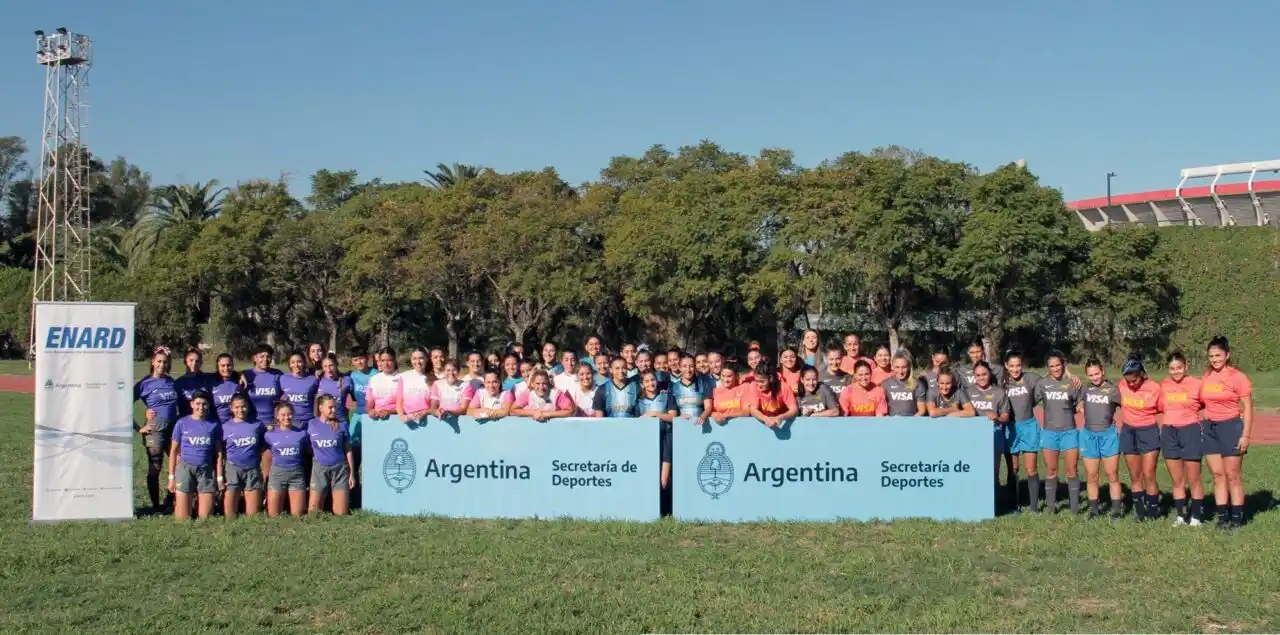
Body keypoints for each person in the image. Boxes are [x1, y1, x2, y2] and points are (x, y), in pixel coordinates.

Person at [1201, 336, 1254, 529]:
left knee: (1232, 475)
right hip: (1210, 428)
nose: (1214, 359)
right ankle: (1222, 517)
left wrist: (1245, 435)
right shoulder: (1207, 376)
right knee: (1217, 474)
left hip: (1231, 427)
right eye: (1211, 356)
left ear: (1227, 355)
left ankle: (1237, 519)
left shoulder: (1238, 377)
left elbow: (1248, 408)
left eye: (1218, 355)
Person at [1160, 351, 1206, 526]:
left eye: (1179, 367)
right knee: (1177, 479)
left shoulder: (1197, 384)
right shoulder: (1164, 385)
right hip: (1169, 432)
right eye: (1172, 369)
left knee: (1194, 478)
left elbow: (1207, 402)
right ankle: (1181, 516)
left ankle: (1196, 517)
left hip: (1190, 431)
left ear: (1186, 366)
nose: (1176, 372)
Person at [1118, 354, 1164, 520]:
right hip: (1128, 432)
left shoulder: (1155, 388)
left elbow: (1165, 407)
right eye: (1128, 381)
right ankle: (1139, 511)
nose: (1131, 384)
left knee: (1149, 473)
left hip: (1148, 431)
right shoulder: (1121, 385)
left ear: (1142, 374)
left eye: (1134, 380)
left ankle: (1152, 510)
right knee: (1135, 476)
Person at [1035, 352, 1081, 514]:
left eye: (1057, 365)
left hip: (1069, 432)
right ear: (1048, 367)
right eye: (1051, 366)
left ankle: (1074, 508)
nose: (1055, 369)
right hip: (1049, 433)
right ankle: (1050, 507)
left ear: (1063, 365)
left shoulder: (1072, 383)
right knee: (1051, 470)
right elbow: (1030, 400)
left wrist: (1080, 407)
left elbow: (1080, 402)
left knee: (1072, 469)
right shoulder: (1042, 384)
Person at [167, 390, 223, 521]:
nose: (201, 407)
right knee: (182, 519)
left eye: (204, 404)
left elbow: (219, 453)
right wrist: (171, 478)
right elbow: (173, 451)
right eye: (198, 403)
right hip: (185, 469)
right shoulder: (182, 423)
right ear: (192, 404)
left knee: (206, 518)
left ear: (208, 405)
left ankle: (200, 503)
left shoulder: (214, 425)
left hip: (205, 470)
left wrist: (219, 478)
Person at [1079, 358, 1123, 521]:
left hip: (1108, 435)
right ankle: (1094, 510)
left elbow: (1126, 405)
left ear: (1102, 371)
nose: (1095, 377)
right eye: (1091, 375)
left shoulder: (1113, 390)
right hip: (1089, 435)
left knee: (1112, 474)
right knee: (1092, 475)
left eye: (1097, 373)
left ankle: (1116, 510)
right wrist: (1080, 405)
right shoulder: (1085, 389)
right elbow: (1079, 401)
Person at [135, 347, 179, 510]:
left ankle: (170, 499)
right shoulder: (144, 384)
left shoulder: (171, 381)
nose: (162, 365)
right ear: (153, 362)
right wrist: (138, 428)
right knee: (156, 467)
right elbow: (124, 404)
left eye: (165, 362)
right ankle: (155, 506)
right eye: (159, 361)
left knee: (180, 463)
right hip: (155, 430)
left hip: (173, 429)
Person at [1002, 350, 1043, 513]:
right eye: (1011, 366)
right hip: (1010, 428)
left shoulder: (1031, 378)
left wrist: (1071, 376)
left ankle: (1034, 507)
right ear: (1006, 365)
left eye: (1018, 365)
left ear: (1022, 365)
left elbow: (1052, 380)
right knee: (1013, 468)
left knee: (1031, 468)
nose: (1015, 369)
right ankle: (1014, 505)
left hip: (1029, 426)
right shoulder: (1001, 381)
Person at [964, 362, 1011, 485]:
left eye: (984, 374)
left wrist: (998, 417)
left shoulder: (999, 392)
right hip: (972, 435)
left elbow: (1005, 416)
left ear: (989, 374)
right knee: (973, 471)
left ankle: (995, 496)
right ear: (974, 376)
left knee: (992, 473)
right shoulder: (967, 392)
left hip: (994, 434)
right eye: (978, 375)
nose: (981, 378)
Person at [308, 395, 355, 515]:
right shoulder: (311, 424)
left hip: (339, 469)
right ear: (321, 408)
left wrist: (351, 473)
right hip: (319, 469)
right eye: (330, 407)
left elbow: (348, 450)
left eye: (335, 407)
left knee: (341, 514)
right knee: (313, 513)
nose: (334, 410)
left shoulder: (342, 425)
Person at [220, 394, 264, 518]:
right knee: (230, 516)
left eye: (243, 406)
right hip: (233, 468)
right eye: (237, 407)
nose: (240, 410)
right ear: (231, 408)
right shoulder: (225, 427)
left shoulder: (257, 425)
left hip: (252, 468)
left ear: (248, 407)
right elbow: (220, 449)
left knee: (253, 515)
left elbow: (263, 446)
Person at [264, 402, 308, 518]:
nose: (286, 417)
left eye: (289, 414)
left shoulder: (301, 433)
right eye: (283, 415)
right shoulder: (269, 435)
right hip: (277, 474)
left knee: (298, 516)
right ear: (277, 417)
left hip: (296, 475)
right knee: (273, 515)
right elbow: (264, 454)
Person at [636, 371, 678, 490]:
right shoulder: (638, 402)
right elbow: (636, 423)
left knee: (664, 480)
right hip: (648, 442)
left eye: (653, 380)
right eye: (647, 381)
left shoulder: (668, 396)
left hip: (666, 439)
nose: (651, 383)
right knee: (650, 477)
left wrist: (655, 413)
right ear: (642, 384)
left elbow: (673, 417)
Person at [747, 360, 798, 429]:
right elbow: (753, 410)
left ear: (771, 378)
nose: (759, 385)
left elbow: (794, 409)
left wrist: (780, 417)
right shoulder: (754, 386)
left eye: (762, 382)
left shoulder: (783, 387)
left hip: (780, 423)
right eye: (756, 381)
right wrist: (765, 419)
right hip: (763, 423)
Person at [241, 344, 282, 430]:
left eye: (268, 356)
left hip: (273, 424)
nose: (265, 359)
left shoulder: (278, 374)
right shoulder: (246, 375)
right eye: (262, 356)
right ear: (254, 358)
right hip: (252, 423)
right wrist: (237, 374)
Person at [511, 370, 575, 420]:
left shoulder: (557, 394)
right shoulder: (528, 393)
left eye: (544, 383)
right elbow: (512, 411)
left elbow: (571, 411)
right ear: (532, 384)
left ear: (548, 383)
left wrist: (547, 414)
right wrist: (533, 413)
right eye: (538, 383)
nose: (541, 387)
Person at [280, 351, 319, 432]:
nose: (296, 365)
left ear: (304, 363)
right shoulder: (283, 378)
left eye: (299, 362)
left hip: (308, 421)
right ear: (289, 364)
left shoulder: (313, 379)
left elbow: (318, 400)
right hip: (291, 421)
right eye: (293, 362)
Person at [671, 356, 713, 426]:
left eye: (691, 366)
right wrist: (678, 417)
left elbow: (708, 407)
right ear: (679, 367)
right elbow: (672, 412)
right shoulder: (673, 387)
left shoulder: (703, 383)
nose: (688, 370)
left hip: (701, 425)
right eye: (684, 366)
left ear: (695, 367)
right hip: (681, 426)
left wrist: (703, 416)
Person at [881, 351, 927, 416]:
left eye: (904, 367)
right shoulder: (886, 384)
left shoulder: (917, 384)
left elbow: (922, 410)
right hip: (893, 421)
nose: (900, 371)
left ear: (908, 367)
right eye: (897, 367)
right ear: (892, 367)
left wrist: (910, 421)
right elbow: (882, 410)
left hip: (912, 420)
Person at [365, 347, 402, 426]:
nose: (386, 364)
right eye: (383, 360)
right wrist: (370, 411)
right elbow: (369, 403)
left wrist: (389, 412)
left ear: (395, 361)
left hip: (397, 422)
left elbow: (405, 405)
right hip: (377, 422)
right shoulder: (373, 379)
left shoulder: (403, 379)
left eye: (389, 360)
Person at [396, 347, 432, 425]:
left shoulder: (433, 379)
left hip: (428, 421)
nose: (418, 362)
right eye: (414, 359)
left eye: (421, 358)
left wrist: (424, 413)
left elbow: (435, 406)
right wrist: (402, 416)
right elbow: (399, 402)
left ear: (427, 359)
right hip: (408, 422)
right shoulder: (404, 377)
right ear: (411, 360)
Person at [174, 347, 213, 418]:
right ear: (185, 362)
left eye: (197, 361)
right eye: (191, 360)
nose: (194, 363)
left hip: (205, 421)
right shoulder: (178, 383)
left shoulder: (208, 378)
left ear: (201, 363)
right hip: (186, 422)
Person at [317, 353, 350, 422]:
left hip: (341, 421)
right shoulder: (318, 380)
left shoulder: (346, 380)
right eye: (325, 366)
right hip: (324, 422)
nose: (328, 369)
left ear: (336, 364)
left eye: (331, 365)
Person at [210, 353, 241, 424]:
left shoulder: (239, 381)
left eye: (229, 365)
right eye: (223, 365)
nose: (226, 368)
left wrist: (241, 374)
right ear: (217, 367)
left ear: (233, 366)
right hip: (216, 424)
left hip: (235, 424)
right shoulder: (210, 382)